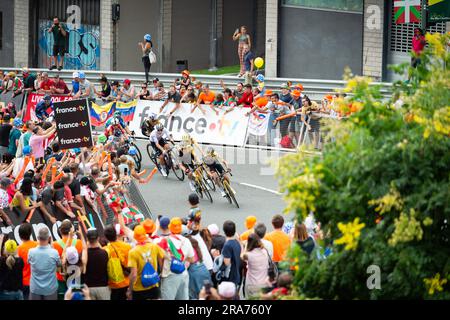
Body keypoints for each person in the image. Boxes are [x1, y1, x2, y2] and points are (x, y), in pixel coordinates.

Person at [154, 217, 195, 300]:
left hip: (169, 275)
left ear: (170, 228)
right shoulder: (186, 241)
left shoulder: (163, 241)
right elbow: (192, 259)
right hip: (183, 274)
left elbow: (159, 257)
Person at [127, 225, 165, 300]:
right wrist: (160, 273)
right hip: (153, 284)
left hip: (139, 288)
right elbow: (163, 258)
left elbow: (134, 274)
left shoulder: (133, 252)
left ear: (135, 237)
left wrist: (130, 290)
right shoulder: (154, 246)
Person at [28, 227, 61, 300]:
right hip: (50, 289)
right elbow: (59, 265)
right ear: (49, 238)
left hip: (35, 289)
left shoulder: (31, 252)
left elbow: (28, 262)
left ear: (37, 238)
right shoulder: (54, 253)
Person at [103, 224, 131, 299]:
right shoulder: (127, 246)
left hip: (114, 284)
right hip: (127, 280)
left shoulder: (105, 250)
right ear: (116, 234)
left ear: (106, 237)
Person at [83, 229, 110, 300]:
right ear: (98, 238)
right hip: (103, 287)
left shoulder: (84, 254)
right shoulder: (104, 253)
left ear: (87, 239)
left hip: (89, 288)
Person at [242, 233, 269, 297]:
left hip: (252, 284)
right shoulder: (264, 251)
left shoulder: (249, 255)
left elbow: (242, 256)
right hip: (264, 283)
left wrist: (245, 246)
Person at [17, 223, 38, 300]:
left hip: (25, 283)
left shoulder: (18, 249)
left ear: (19, 235)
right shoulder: (38, 245)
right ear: (30, 233)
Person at [221, 220, 242, 288]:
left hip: (230, 276)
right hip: (236, 273)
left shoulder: (227, 245)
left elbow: (227, 263)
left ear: (224, 231)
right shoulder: (236, 242)